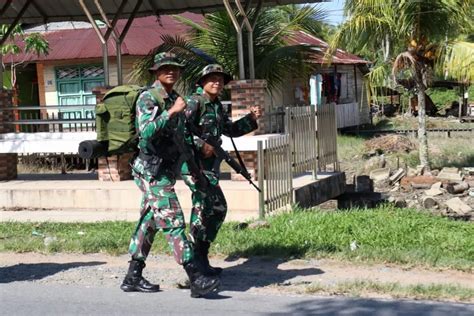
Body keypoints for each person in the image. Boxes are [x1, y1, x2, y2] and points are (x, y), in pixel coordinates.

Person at [120, 52, 220, 298]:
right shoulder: (148, 98)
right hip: (150, 170)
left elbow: (182, 137)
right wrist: (172, 112)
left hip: (166, 168)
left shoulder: (176, 97)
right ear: (156, 71)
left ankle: (133, 275)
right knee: (173, 219)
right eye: (166, 68)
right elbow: (145, 132)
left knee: (150, 220)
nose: (171, 72)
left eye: (175, 69)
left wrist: (193, 166)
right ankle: (196, 277)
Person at [181, 64, 262, 276]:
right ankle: (193, 260)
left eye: (220, 79)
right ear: (201, 82)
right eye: (212, 78)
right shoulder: (194, 102)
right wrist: (201, 145)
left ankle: (201, 254)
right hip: (192, 164)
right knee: (206, 205)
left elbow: (230, 130)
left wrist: (250, 119)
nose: (217, 82)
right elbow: (179, 132)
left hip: (209, 166)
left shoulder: (216, 105)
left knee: (216, 208)